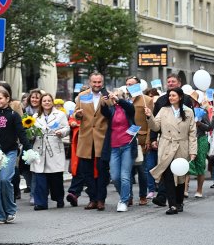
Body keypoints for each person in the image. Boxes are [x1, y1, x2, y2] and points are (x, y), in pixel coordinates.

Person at [145, 87, 197, 215]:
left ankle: (179, 202)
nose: (171, 98)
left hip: (181, 145)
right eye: (169, 95)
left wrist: (193, 151)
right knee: (167, 175)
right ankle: (172, 205)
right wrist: (149, 116)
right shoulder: (163, 110)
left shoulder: (188, 112)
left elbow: (192, 133)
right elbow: (155, 127)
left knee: (180, 175)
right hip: (166, 145)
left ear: (180, 97)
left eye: (173, 95)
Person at [0, 88, 27, 224]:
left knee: (5, 180)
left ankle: (10, 211)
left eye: (1, 98)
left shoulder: (13, 115)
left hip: (10, 152)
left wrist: (27, 149)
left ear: (7, 99)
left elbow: (21, 133)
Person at [73, 73, 110, 210]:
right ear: (90, 82)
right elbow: (75, 113)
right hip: (86, 137)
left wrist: (108, 101)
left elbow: (112, 112)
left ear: (102, 82)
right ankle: (92, 198)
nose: (97, 85)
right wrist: (78, 114)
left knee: (102, 171)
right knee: (86, 171)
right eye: (94, 82)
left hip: (102, 137)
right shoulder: (82, 96)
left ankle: (101, 199)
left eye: (99, 82)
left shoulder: (107, 95)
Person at [29, 93, 69, 210]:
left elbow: (66, 128)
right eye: (44, 101)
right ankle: (41, 203)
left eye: (49, 100)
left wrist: (61, 132)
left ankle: (59, 198)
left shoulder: (60, 115)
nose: (46, 102)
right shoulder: (35, 116)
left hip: (54, 146)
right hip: (40, 147)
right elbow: (32, 131)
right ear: (41, 103)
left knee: (55, 177)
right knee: (40, 176)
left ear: (52, 102)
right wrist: (31, 133)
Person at [101, 87, 138, 212]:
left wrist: (119, 100)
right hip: (114, 147)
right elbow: (104, 112)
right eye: (113, 95)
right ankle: (127, 195)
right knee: (115, 176)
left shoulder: (128, 108)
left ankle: (123, 201)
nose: (114, 97)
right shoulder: (111, 109)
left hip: (127, 145)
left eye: (118, 95)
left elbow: (131, 109)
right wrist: (103, 102)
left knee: (125, 176)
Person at [125, 76, 153, 205]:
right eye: (127, 84)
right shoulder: (124, 100)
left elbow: (150, 122)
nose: (129, 86)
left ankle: (143, 195)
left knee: (142, 170)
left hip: (141, 139)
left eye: (132, 84)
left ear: (138, 85)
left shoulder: (147, 100)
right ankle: (128, 196)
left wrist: (148, 139)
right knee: (128, 170)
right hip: (126, 138)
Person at [185, 91, 211, 199]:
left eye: (192, 99)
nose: (190, 101)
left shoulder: (202, 112)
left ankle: (199, 190)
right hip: (187, 139)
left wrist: (199, 124)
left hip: (200, 139)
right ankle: (185, 189)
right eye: (189, 98)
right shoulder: (183, 111)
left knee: (200, 163)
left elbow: (209, 127)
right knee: (186, 164)